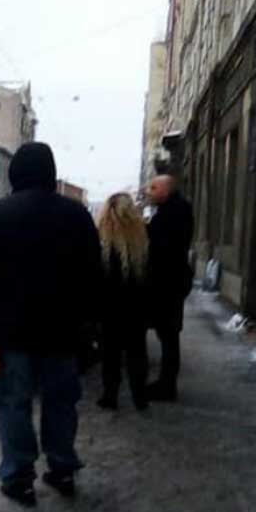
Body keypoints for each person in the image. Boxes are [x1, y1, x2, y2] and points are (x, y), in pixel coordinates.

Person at [0, 143, 102, 504]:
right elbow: (92, 276)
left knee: (13, 405)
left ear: (15, 174)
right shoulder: (77, 215)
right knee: (61, 404)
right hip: (62, 334)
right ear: (50, 173)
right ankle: (62, 469)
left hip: (10, 335)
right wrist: (85, 323)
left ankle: (18, 477)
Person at [95, 193, 150, 411]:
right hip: (136, 307)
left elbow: (96, 277)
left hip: (109, 308)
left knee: (110, 353)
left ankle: (110, 395)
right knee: (137, 351)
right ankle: (139, 396)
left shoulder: (104, 243)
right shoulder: (143, 239)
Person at [145, 174, 194, 401]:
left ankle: (167, 386)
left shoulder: (173, 213)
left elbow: (161, 246)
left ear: (166, 190)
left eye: (154, 187)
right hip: (171, 282)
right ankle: (166, 383)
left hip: (168, 284)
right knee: (168, 336)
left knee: (169, 336)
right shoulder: (173, 210)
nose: (150, 191)